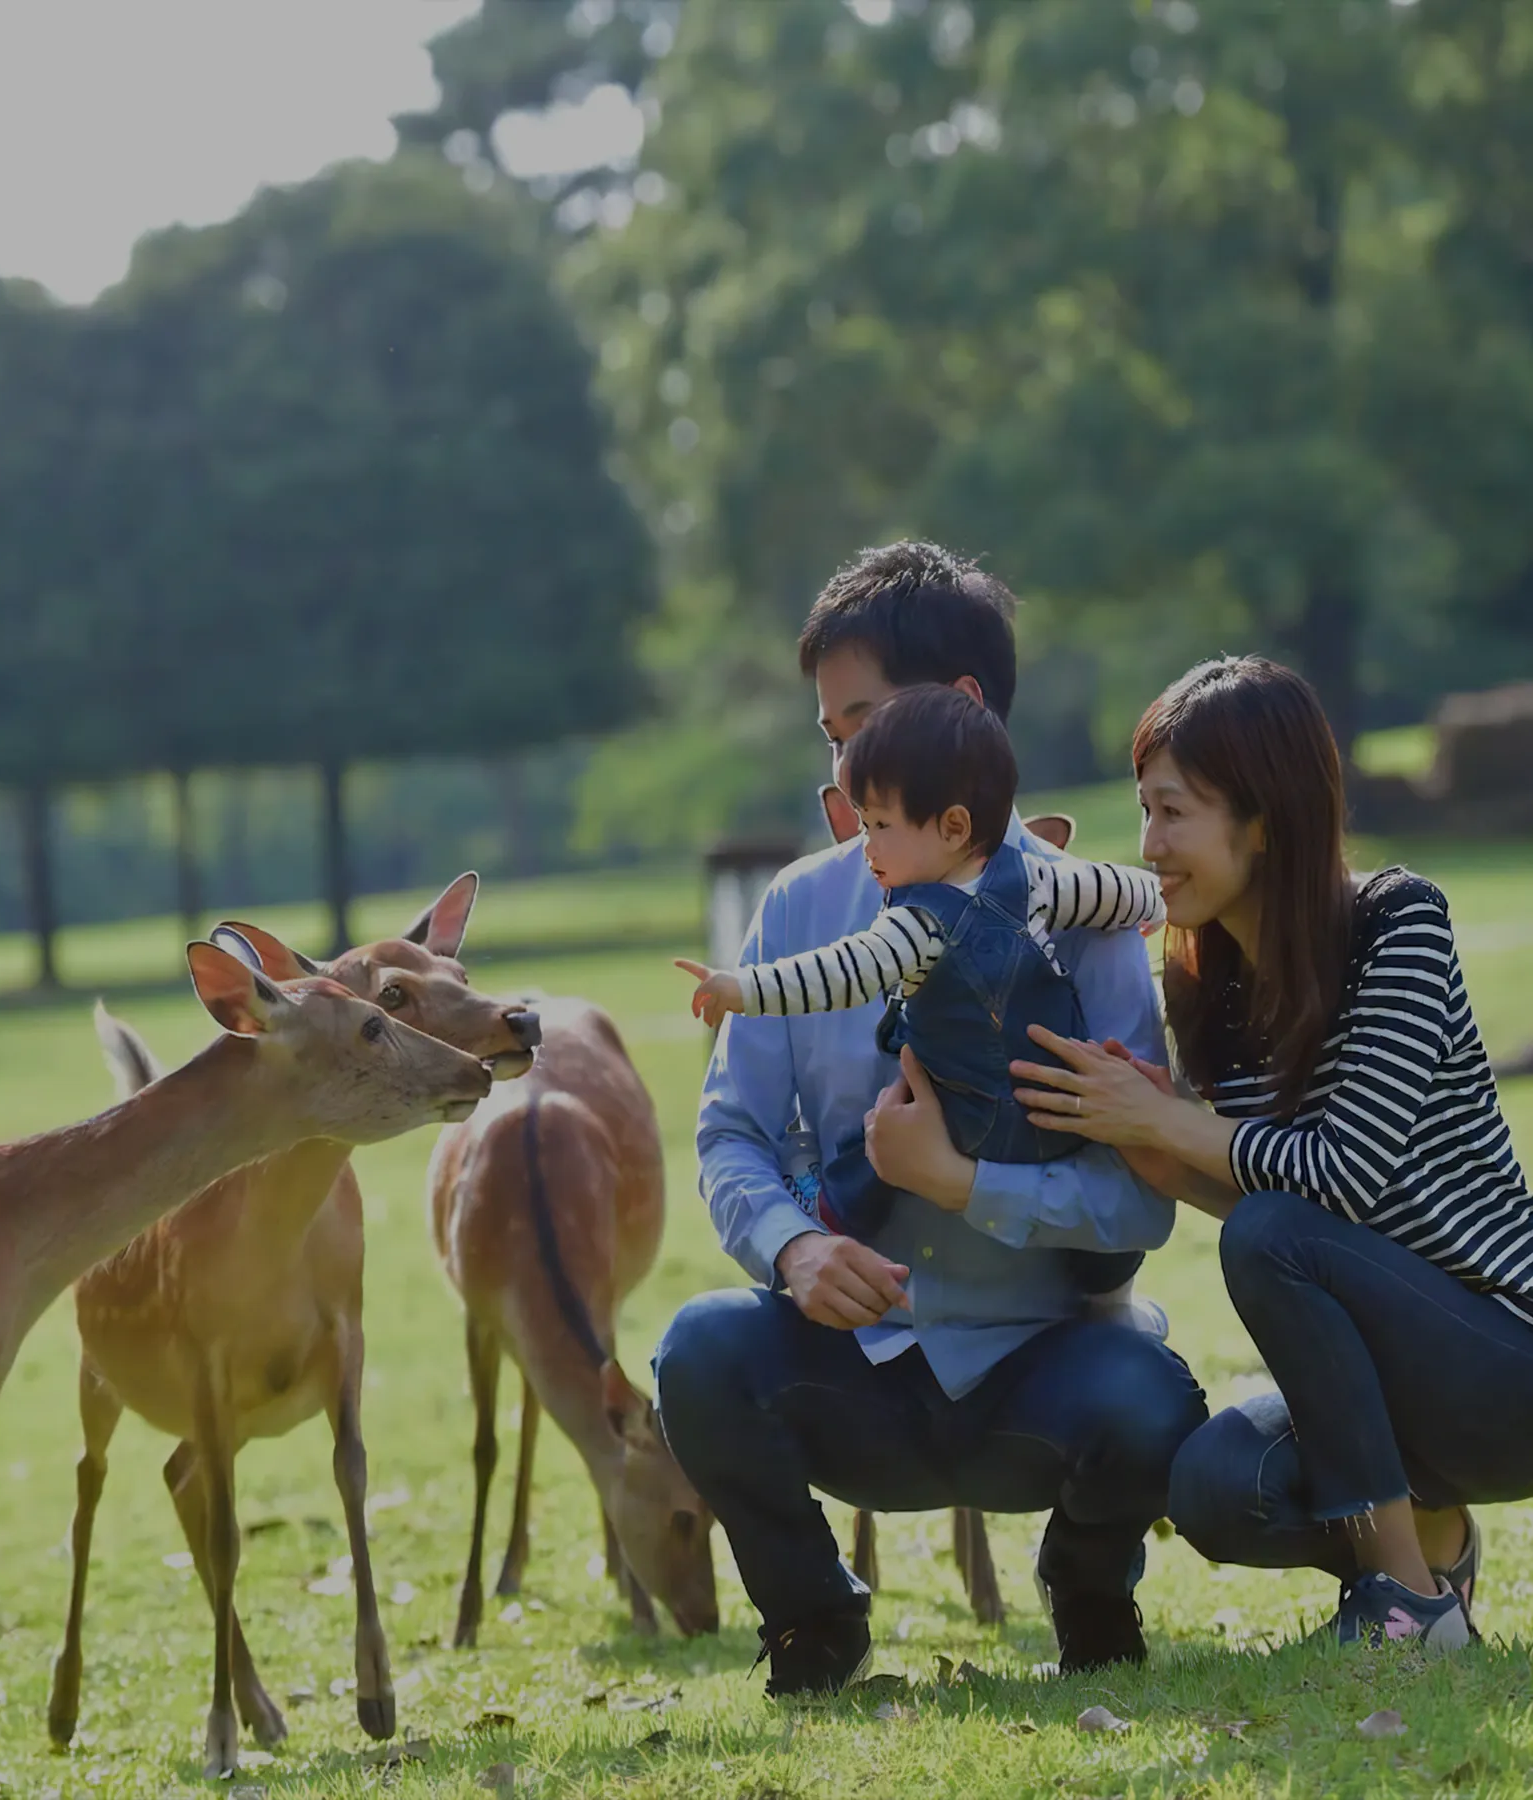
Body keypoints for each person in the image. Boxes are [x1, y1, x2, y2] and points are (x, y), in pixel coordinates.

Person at [653, 542, 1206, 1696]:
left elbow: (1138, 1209)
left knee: (1154, 1404)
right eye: (829, 736)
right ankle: (813, 1617)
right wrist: (797, 1248)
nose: (843, 763)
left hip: (1040, 1366)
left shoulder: (1084, 919)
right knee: (699, 1353)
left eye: (861, 722)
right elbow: (731, 1134)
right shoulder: (804, 904)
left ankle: (1089, 1586)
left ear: (958, 707)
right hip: (853, 1367)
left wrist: (964, 1183)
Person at [1001, 654, 1533, 1652]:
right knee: (1215, 1487)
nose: (1149, 846)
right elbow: (1272, 1197)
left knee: (1271, 1232)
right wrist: (1157, 1155)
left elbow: (1342, 1177)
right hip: (1383, 1379)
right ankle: (1433, 1546)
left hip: (1506, 1351)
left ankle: (1407, 1609)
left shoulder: (1397, 923)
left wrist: (1172, 1125)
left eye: (1174, 814)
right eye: (1144, 812)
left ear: (1266, 819)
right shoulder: (1211, 984)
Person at [674, 682, 1163, 1314]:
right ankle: (1103, 1288)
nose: (864, 843)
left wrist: (741, 989)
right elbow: (1123, 891)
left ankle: (824, 1211)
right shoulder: (1043, 880)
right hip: (1043, 1116)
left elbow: (838, 973)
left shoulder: (916, 922)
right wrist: (1159, 906)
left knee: (881, 1140)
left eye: (879, 824)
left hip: (967, 1115)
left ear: (954, 825)